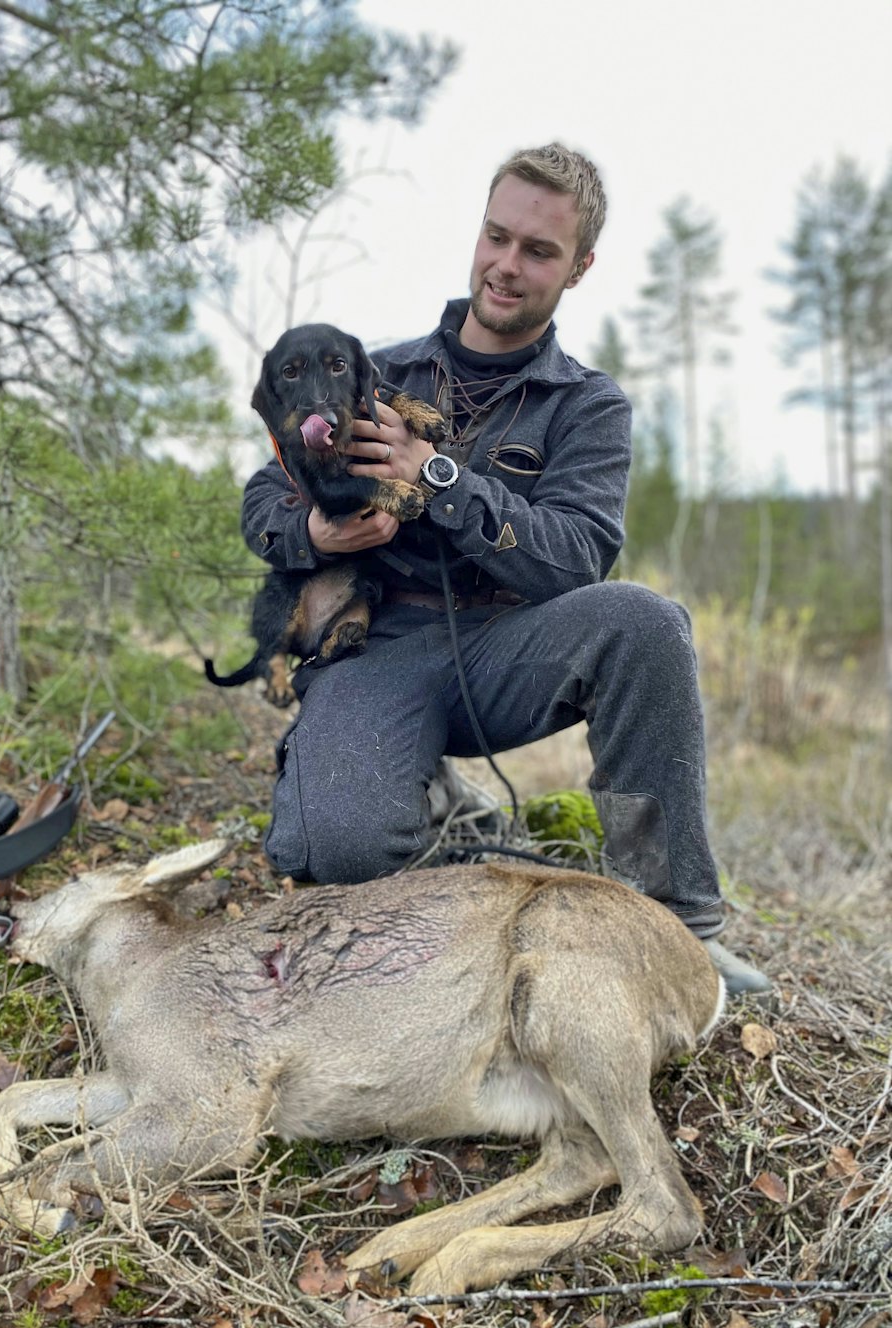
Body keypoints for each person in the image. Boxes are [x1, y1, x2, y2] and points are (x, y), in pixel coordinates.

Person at [240, 142, 772, 998]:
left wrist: (437, 475)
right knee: (336, 846)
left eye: (539, 251)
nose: (507, 265)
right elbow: (263, 502)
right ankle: (422, 792)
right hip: (375, 646)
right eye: (498, 237)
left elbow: (578, 557)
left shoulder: (587, 405)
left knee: (646, 623)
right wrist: (310, 533)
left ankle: (679, 924)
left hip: (508, 643)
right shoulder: (376, 370)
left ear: (580, 267)